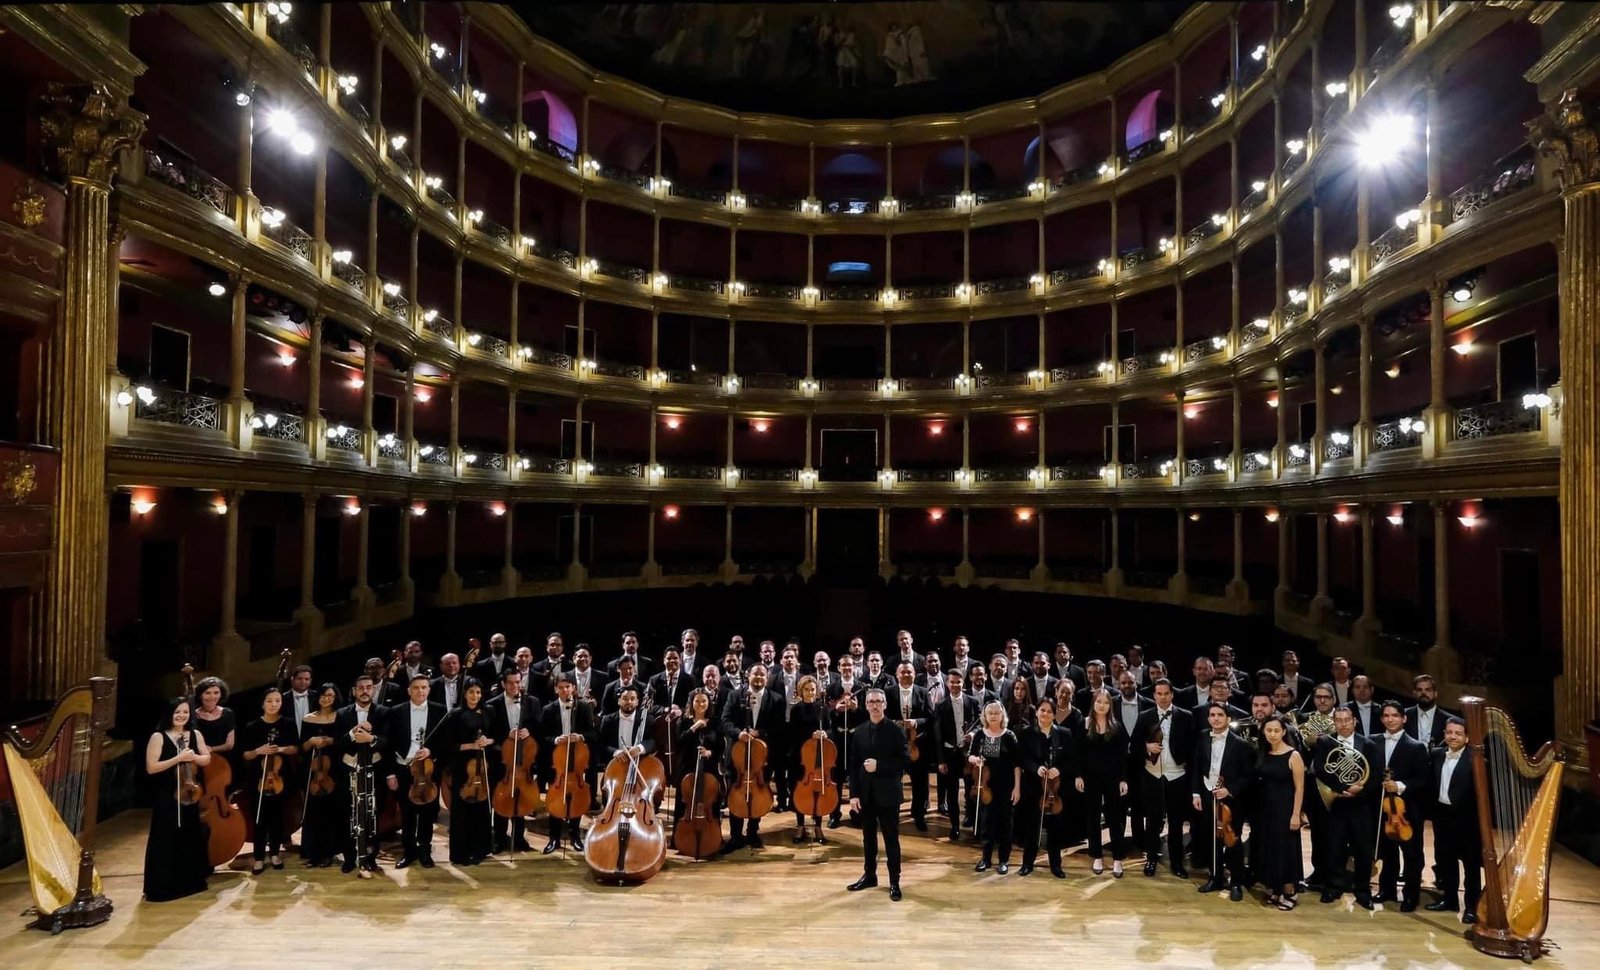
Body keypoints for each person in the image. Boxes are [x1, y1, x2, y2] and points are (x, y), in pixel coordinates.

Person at [143, 696, 213, 902]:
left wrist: (193, 757)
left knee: (190, 836)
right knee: (165, 837)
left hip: (189, 793)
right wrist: (178, 758)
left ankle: (190, 882)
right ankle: (163, 887)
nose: (182, 716)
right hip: (166, 795)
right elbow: (152, 767)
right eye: (177, 712)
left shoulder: (195, 734)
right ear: (169, 715)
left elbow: (206, 759)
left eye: (185, 712)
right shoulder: (158, 737)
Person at [1311, 706, 1378, 908]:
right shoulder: (1325, 742)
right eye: (1338, 720)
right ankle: (1333, 887)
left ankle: (1363, 890)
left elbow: (1374, 776)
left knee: (1363, 850)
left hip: (1361, 805)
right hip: (1337, 803)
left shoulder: (1369, 744)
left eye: (1347, 719)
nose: (1343, 723)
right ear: (1333, 721)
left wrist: (1359, 790)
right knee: (1334, 847)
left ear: (1354, 721)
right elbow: (1321, 769)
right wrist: (1343, 787)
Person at [845, 689, 908, 901]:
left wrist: (879, 766)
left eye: (878, 702)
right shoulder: (860, 731)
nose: (874, 705)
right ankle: (870, 876)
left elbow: (904, 762)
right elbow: (853, 765)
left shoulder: (895, 730)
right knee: (868, 838)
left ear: (885, 704)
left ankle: (894, 882)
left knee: (891, 839)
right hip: (866, 795)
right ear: (865, 705)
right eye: (870, 702)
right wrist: (853, 795)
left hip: (888, 794)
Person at [1190, 702, 1255, 900]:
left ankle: (1236, 881)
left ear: (1228, 719)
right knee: (1211, 839)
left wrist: (1229, 790)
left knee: (1232, 840)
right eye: (1212, 715)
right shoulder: (1202, 738)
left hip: (1230, 800)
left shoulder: (1241, 744)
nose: (1216, 718)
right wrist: (1195, 793)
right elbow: (1196, 767)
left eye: (1220, 715)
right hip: (1207, 795)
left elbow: (1247, 776)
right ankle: (1215, 877)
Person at [1134, 679, 1196, 879]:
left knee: (1176, 821)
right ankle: (1151, 858)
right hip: (1152, 774)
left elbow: (1192, 746)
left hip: (1177, 775)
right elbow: (1132, 745)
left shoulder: (1185, 716)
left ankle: (1177, 862)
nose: (1162, 697)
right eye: (1159, 694)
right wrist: (1146, 747)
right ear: (1153, 695)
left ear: (1172, 694)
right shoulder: (1145, 716)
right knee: (1152, 820)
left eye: (1166, 693)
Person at [720, 663, 786, 850]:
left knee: (758, 793)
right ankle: (735, 836)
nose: (758, 679)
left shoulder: (777, 699)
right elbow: (725, 720)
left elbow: (780, 727)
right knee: (736, 793)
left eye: (762, 676)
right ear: (748, 676)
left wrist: (760, 733)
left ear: (767, 678)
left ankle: (752, 832)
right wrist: (738, 733)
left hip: (762, 756)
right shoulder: (735, 695)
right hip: (737, 755)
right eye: (755, 675)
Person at [386, 674, 446, 868]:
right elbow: (389, 744)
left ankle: (425, 851)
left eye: (424, 687)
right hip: (404, 770)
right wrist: (391, 774)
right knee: (407, 814)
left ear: (428, 689)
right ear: (409, 691)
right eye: (416, 688)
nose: (421, 691)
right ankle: (409, 852)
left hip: (428, 771)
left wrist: (431, 750)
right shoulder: (396, 711)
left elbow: (445, 741)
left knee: (428, 814)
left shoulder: (440, 711)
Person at [1425, 717, 1481, 923]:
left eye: (1458, 733)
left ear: (1467, 737)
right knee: (1446, 861)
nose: (1453, 736)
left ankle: (1472, 907)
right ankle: (1449, 900)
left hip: (1467, 821)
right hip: (1443, 817)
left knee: (1471, 866)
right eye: (1449, 732)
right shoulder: (1437, 754)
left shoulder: (1475, 760)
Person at [1375, 700, 1429, 911]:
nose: (1390, 719)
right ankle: (1386, 889)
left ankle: (1410, 895)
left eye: (1395, 716)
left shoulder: (1416, 747)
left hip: (1408, 810)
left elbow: (1423, 780)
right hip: (1382, 808)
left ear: (1404, 718)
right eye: (1386, 716)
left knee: (1411, 854)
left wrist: (1399, 785)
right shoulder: (1374, 742)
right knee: (1387, 851)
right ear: (1381, 719)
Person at [239, 687, 300, 873]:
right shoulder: (252, 726)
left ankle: (274, 853)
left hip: (281, 779)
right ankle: (258, 857)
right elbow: (245, 755)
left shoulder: (288, 723)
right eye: (270, 701)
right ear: (263, 703)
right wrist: (259, 751)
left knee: (277, 819)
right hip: (258, 780)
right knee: (259, 819)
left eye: (277, 701)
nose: (274, 704)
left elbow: (295, 749)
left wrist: (279, 749)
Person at [335, 674, 388, 874]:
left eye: (369, 687)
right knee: (348, 814)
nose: (365, 691)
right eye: (361, 688)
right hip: (349, 770)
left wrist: (371, 737)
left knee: (372, 814)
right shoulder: (342, 714)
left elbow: (387, 741)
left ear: (373, 690)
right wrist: (353, 733)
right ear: (354, 691)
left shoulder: (383, 712)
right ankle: (349, 858)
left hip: (374, 771)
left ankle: (371, 857)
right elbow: (337, 743)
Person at [1077, 687, 1131, 877]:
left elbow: (1123, 755)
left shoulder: (1117, 726)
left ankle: (1117, 859)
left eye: (1106, 702)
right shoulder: (1084, 724)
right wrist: (1079, 775)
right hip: (1091, 778)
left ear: (1110, 705)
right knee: (1092, 818)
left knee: (1115, 819)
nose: (1102, 705)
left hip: (1113, 778)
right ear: (1093, 703)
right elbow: (1079, 754)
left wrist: (1124, 779)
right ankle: (1096, 856)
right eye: (1099, 702)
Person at [1255, 714, 1307, 909]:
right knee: (1270, 848)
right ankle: (1275, 888)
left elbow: (1300, 788)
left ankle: (1290, 890)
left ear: (1284, 732)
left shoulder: (1293, 755)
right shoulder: (1264, 752)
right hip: (1265, 809)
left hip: (1285, 808)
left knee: (1286, 849)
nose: (1273, 734)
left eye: (1277, 730)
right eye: (1269, 730)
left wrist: (1296, 814)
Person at [541, 674, 598, 853]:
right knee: (555, 800)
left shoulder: (583, 707)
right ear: (556, 689)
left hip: (577, 761)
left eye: (568, 687)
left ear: (573, 688)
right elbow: (543, 738)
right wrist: (556, 740)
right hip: (556, 763)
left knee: (577, 799)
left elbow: (592, 734)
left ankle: (574, 836)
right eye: (561, 687)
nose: (565, 690)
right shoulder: (548, 709)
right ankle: (554, 838)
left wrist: (580, 737)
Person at [1017, 697, 1073, 878]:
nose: (1045, 714)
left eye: (1049, 711)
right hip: (1033, 788)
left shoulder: (1064, 734)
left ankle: (1056, 865)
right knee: (1032, 828)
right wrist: (1035, 768)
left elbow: (1072, 760)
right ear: (1037, 712)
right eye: (1042, 710)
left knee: (1055, 829)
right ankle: (1027, 863)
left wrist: (1059, 769)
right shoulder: (1026, 733)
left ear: (1055, 715)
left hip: (1055, 791)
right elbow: (1021, 758)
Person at [967, 700, 1022, 873]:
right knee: (986, 823)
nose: (993, 716)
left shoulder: (1009, 736)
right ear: (985, 715)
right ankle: (986, 858)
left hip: (1006, 787)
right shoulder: (979, 735)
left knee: (1006, 824)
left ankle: (1003, 860)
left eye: (996, 713)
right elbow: (970, 756)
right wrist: (975, 759)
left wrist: (1017, 788)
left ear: (1002, 715)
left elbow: (1017, 765)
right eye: (989, 713)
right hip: (986, 787)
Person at [487, 668, 538, 853]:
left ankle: (519, 839)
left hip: (524, 761)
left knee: (521, 800)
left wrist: (529, 731)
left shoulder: (531, 702)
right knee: (501, 801)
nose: (515, 686)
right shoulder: (492, 705)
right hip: (502, 762)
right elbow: (489, 733)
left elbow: (539, 726)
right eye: (511, 683)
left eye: (518, 682)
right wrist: (505, 735)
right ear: (503, 684)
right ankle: (499, 839)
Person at [445, 677, 494, 865]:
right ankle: (461, 853)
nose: (475, 696)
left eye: (478, 692)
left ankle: (479, 850)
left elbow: (495, 736)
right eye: (471, 692)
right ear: (464, 693)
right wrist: (471, 745)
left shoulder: (488, 711)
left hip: (483, 767)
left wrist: (486, 741)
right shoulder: (456, 714)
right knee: (462, 812)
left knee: (481, 810)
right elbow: (449, 745)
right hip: (463, 767)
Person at [296, 683, 344, 867]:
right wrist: (311, 741)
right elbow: (302, 747)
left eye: (330, 696)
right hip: (313, 771)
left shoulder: (339, 717)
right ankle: (313, 853)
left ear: (335, 697)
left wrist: (330, 740)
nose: (326, 699)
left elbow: (342, 742)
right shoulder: (309, 718)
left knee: (331, 812)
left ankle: (328, 853)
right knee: (313, 812)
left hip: (333, 771)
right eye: (323, 695)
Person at [934, 667, 978, 840]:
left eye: (958, 682)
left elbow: (981, 723)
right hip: (950, 754)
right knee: (951, 792)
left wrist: (973, 734)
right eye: (952, 681)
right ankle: (954, 826)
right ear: (947, 683)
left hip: (968, 754)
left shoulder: (972, 702)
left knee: (970, 790)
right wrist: (940, 761)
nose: (955, 685)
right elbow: (937, 735)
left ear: (963, 683)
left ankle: (971, 820)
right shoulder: (940, 705)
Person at [787, 674, 831, 843]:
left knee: (818, 792)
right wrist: (810, 735)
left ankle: (818, 826)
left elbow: (831, 729)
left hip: (818, 759)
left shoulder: (822, 708)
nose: (810, 693)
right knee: (800, 792)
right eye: (807, 690)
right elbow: (793, 733)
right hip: (801, 756)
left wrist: (826, 734)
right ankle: (800, 825)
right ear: (801, 691)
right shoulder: (796, 709)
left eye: (813, 689)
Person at [890, 661, 932, 831]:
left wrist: (915, 721)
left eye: (910, 672)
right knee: (894, 782)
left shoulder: (923, 692)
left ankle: (919, 815)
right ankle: (893, 814)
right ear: (897, 674)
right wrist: (895, 723)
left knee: (920, 783)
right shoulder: (889, 692)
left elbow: (930, 717)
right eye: (903, 672)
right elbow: (884, 717)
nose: (906, 675)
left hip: (917, 745)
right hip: (896, 746)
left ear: (914, 674)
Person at [675, 689, 725, 830]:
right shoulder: (683, 721)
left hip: (709, 767)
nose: (700, 704)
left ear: (709, 703)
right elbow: (679, 742)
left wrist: (710, 753)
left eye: (704, 701)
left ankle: (712, 835)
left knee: (711, 801)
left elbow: (721, 746)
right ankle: (681, 834)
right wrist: (694, 727)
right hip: (687, 767)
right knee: (685, 802)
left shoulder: (715, 722)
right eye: (697, 701)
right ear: (691, 703)